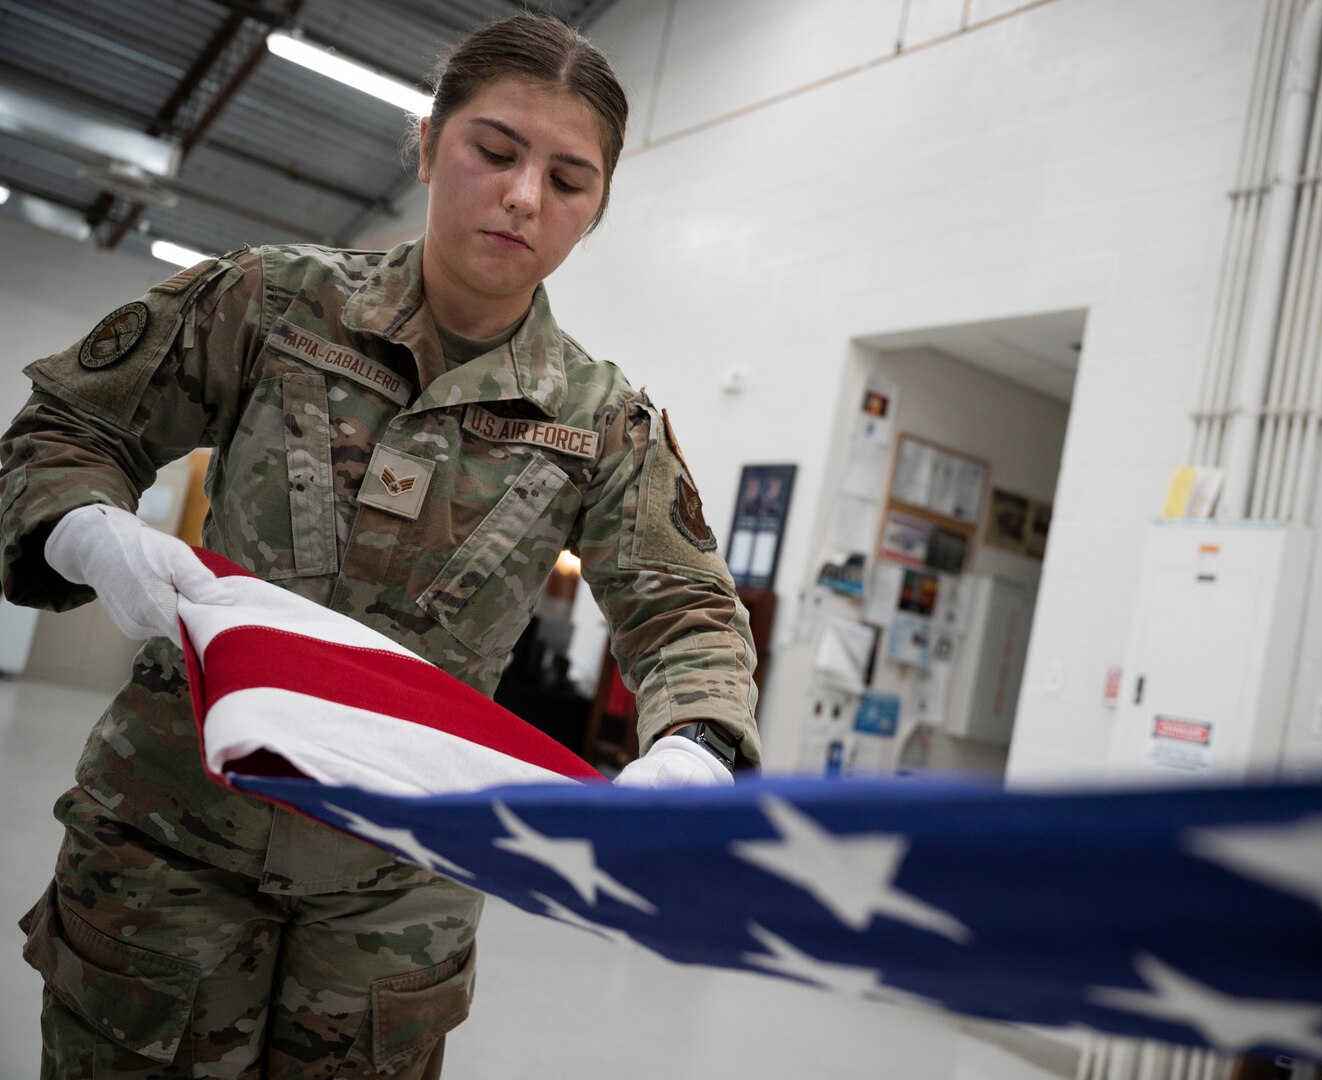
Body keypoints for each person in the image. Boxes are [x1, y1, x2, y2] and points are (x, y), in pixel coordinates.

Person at [0, 13, 759, 1077]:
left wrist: (694, 744)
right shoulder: (271, 302)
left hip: (393, 895)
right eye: (494, 151)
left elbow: (686, 611)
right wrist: (83, 528)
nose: (525, 196)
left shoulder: (603, 422)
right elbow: (72, 426)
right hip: (172, 846)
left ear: (599, 208)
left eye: (570, 179)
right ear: (426, 142)